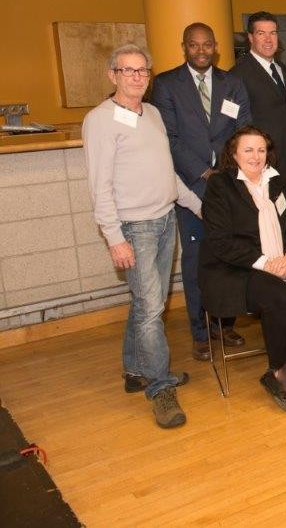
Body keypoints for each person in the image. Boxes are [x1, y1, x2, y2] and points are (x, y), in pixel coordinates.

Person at [83, 43, 199, 428]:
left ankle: (137, 371)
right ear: (112, 75)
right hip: (135, 228)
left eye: (141, 71)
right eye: (127, 70)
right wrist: (114, 237)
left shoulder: (150, 113)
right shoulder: (100, 120)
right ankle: (161, 388)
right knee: (151, 309)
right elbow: (99, 187)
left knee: (148, 303)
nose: (135, 77)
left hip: (166, 219)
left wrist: (197, 205)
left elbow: (166, 171)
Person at [199, 126, 286, 412]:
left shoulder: (281, 182)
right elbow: (221, 242)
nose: (256, 156)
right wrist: (267, 264)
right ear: (234, 154)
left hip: (284, 260)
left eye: (261, 149)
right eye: (248, 150)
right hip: (240, 267)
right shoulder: (220, 186)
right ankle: (279, 368)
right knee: (282, 297)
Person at [151, 22, 252, 362]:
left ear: (216, 46)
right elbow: (169, 137)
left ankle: (225, 323)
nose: (201, 50)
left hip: (230, 185)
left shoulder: (232, 83)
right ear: (184, 47)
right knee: (197, 261)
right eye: (194, 45)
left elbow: (243, 130)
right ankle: (200, 331)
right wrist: (202, 171)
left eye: (206, 44)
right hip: (191, 187)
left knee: (232, 256)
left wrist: (227, 170)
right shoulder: (166, 84)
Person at [230, 11, 286, 185]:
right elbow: (236, 126)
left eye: (273, 33)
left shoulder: (281, 68)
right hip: (261, 164)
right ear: (251, 38)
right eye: (261, 33)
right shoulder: (237, 75)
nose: (269, 39)